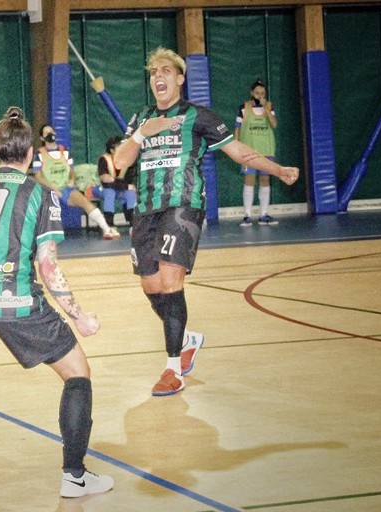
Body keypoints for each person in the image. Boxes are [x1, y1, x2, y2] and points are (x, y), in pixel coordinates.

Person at [0, 106, 114, 499]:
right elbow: (47, 266)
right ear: (30, 154)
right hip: (18, 302)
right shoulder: (41, 194)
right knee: (77, 374)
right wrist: (78, 315)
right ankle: (74, 476)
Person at [113, 47, 299, 396]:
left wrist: (278, 169)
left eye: (166, 71)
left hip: (182, 207)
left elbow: (240, 151)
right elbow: (120, 162)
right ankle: (187, 339)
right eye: (154, 72)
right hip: (146, 211)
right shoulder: (141, 117)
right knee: (151, 287)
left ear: (180, 78)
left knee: (170, 282)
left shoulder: (199, 116)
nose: (158, 77)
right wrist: (142, 133)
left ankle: (173, 370)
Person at [32, 124, 120, 239]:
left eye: (51, 131)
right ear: (42, 138)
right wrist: (53, 188)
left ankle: (106, 229)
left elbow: (72, 171)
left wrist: (72, 179)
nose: (50, 135)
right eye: (46, 133)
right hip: (48, 190)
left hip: (66, 189)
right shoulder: (39, 154)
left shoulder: (65, 151)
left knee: (84, 201)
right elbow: (38, 177)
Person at [235, 79, 279, 226]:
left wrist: (267, 111)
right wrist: (237, 148)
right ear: (251, 93)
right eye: (257, 93)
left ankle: (263, 214)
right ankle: (247, 215)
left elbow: (274, 124)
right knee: (249, 180)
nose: (260, 95)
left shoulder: (269, 106)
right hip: (249, 151)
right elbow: (237, 128)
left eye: (262, 93)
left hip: (266, 149)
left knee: (265, 180)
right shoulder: (244, 107)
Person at [92, 135, 137, 230]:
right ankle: (109, 224)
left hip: (119, 188)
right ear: (112, 150)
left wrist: (122, 185)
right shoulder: (104, 160)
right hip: (101, 188)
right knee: (110, 192)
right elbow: (105, 179)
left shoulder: (128, 160)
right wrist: (124, 185)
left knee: (130, 193)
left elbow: (129, 181)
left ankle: (133, 222)